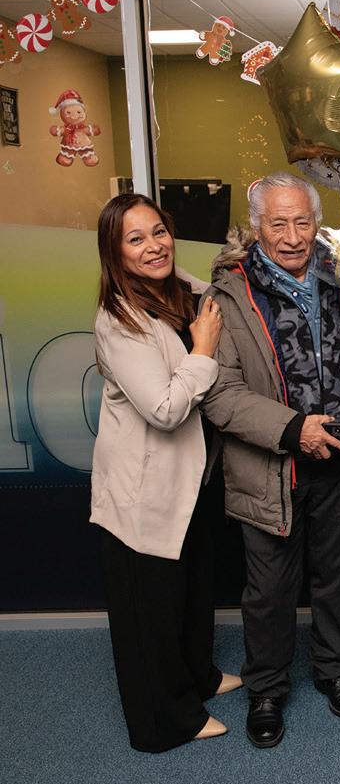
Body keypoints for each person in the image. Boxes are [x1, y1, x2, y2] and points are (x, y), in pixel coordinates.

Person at [201, 172, 340, 748]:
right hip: (270, 465)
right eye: (277, 223)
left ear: (316, 223)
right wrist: (292, 431)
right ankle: (266, 689)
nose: (291, 236)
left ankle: (335, 671)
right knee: (269, 589)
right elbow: (219, 392)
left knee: (339, 576)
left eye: (302, 222)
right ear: (256, 227)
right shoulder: (230, 295)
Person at [90, 193, 241, 753]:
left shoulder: (177, 289)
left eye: (159, 231)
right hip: (143, 489)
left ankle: (198, 678)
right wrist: (203, 350)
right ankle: (167, 721)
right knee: (149, 611)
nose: (154, 246)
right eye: (135, 239)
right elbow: (164, 408)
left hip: (189, 478)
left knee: (191, 591)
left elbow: (216, 292)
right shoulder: (118, 320)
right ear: (114, 252)